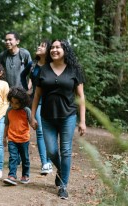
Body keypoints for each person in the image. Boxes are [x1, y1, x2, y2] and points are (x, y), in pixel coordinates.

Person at [30, 39, 86, 200]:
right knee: (51, 151)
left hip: (68, 116)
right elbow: (37, 95)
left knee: (66, 150)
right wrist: (32, 116)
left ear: (65, 50)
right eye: (52, 47)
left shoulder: (74, 70)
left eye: (58, 47)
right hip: (47, 117)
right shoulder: (44, 69)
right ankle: (62, 170)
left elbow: (81, 97)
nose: (54, 50)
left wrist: (82, 121)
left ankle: (63, 186)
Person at [27, 40, 53, 175]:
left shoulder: (53, 65)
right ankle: (45, 163)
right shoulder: (32, 65)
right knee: (40, 131)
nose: (38, 47)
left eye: (42, 46)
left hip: (51, 103)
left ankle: (49, 160)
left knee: (49, 132)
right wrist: (26, 89)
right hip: (37, 102)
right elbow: (27, 78)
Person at [2, 87, 32, 186]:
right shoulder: (9, 111)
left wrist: (35, 125)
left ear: (22, 102)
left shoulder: (26, 110)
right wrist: (4, 137)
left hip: (24, 139)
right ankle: (12, 176)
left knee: (25, 158)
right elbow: (6, 124)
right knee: (13, 157)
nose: (14, 105)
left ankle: (25, 175)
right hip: (12, 139)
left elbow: (31, 122)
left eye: (17, 103)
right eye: (12, 102)